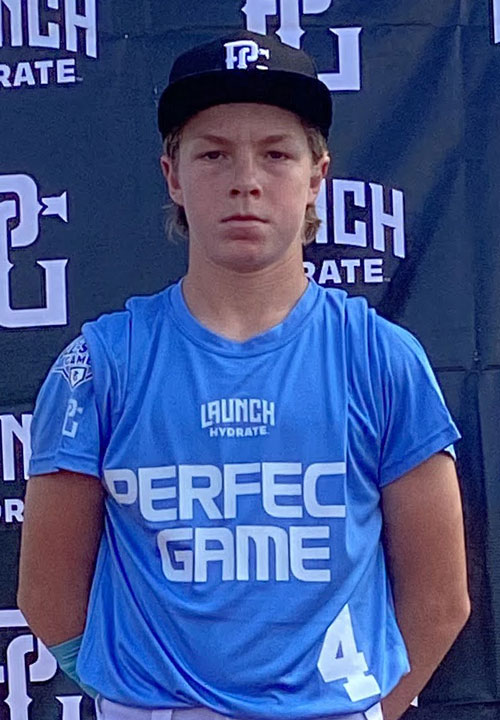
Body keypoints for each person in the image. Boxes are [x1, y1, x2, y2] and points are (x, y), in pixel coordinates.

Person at [18, 30, 470, 720]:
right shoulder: (103, 363)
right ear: (173, 175)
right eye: (213, 154)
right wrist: (131, 694)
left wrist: (372, 711)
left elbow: (441, 599)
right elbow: (47, 593)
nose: (246, 181)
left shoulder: (381, 358)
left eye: (277, 154)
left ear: (317, 175)